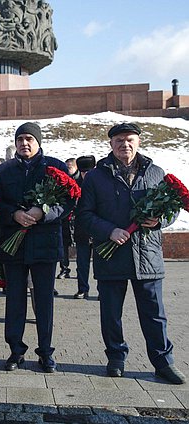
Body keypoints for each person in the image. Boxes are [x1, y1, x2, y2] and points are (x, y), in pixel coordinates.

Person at [77, 122, 186, 384]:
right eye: (119, 140)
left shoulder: (156, 172)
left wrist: (160, 220)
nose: (124, 145)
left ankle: (162, 362)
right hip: (111, 253)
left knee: (154, 313)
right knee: (111, 312)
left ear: (138, 142)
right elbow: (84, 216)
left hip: (146, 255)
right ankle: (116, 357)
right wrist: (109, 231)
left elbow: (172, 209)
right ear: (111, 144)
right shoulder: (96, 176)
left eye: (129, 140)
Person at [0, 122, 74, 373]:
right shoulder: (4, 171)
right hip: (13, 244)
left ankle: (46, 352)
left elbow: (68, 201)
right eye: (20, 139)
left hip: (44, 245)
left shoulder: (55, 167)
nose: (24, 143)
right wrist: (14, 214)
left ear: (38, 142)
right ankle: (16, 351)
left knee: (44, 300)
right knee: (14, 300)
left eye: (29, 139)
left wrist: (43, 213)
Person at [71, 155, 95, 299]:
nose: (86, 174)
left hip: (99, 230)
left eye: (89, 171)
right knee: (82, 263)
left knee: (100, 264)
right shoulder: (75, 184)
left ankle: (102, 290)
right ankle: (82, 288)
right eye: (84, 171)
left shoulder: (100, 183)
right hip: (82, 230)